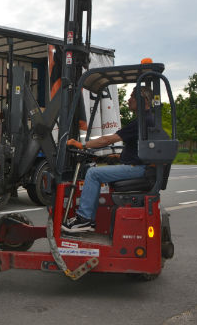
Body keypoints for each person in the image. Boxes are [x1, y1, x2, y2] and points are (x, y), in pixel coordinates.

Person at [62, 85, 154, 233]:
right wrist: (118, 156)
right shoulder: (146, 120)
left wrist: (81, 145)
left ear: (142, 100)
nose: (129, 100)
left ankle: (84, 218)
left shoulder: (141, 122)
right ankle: (87, 219)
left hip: (138, 169)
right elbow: (139, 149)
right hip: (139, 166)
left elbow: (108, 140)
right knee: (96, 172)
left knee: (93, 174)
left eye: (132, 97)